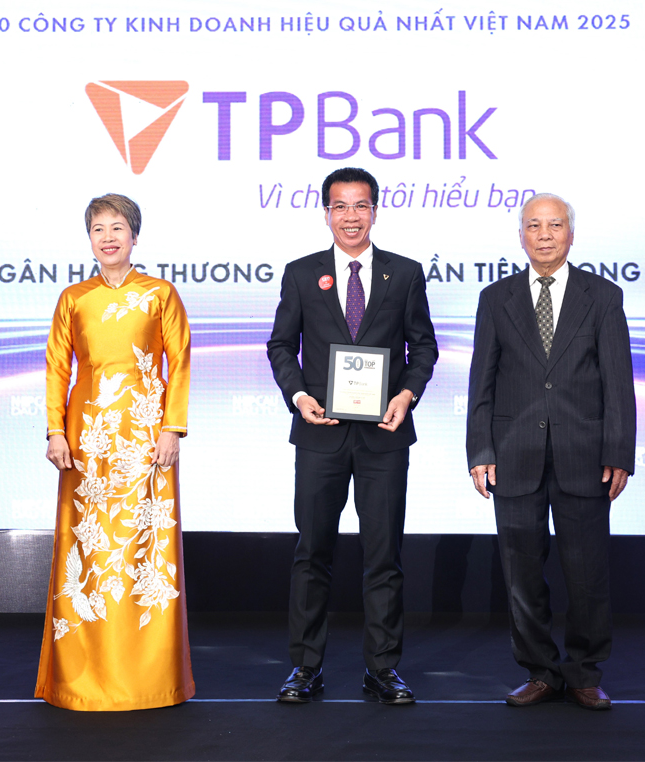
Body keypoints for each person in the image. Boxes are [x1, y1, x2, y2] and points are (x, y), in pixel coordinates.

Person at [267, 167, 438, 704]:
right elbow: (280, 346)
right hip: (319, 433)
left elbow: (423, 348)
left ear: (375, 211)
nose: (351, 216)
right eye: (340, 206)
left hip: (385, 436)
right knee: (311, 552)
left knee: (383, 556)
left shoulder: (404, 273)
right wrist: (299, 396)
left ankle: (382, 669)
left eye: (360, 205)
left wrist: (406, 395)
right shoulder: (302, 273)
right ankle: (305, 668)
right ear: (326, 214)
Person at [466, 193, 636, 710]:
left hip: (585, 454)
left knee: (587, 573)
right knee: (521, 574)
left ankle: (584, 671)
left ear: (571, 234)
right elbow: (482, 381)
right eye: (534, 226)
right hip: (513, 453)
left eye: (554, 225)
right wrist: (480, 449)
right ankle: (540, 670)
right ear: (520, 236)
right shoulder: (495, 298)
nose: (544, 235)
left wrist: (619, 451)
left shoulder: (602, 296)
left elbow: (618, 381)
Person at [36, 193, 195, 711]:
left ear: (135, 236)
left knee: (145, 549)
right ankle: (81, 681)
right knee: (87, 549)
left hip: (146, 438)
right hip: (86, 438)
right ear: (89, 239)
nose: (108, 237)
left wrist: (172, 429)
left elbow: (179, 362)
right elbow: (57, 367)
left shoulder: (160, 294)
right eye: (98, 229)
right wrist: (55, 430)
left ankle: (151, 679)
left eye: (118, 228)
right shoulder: (73, 298)